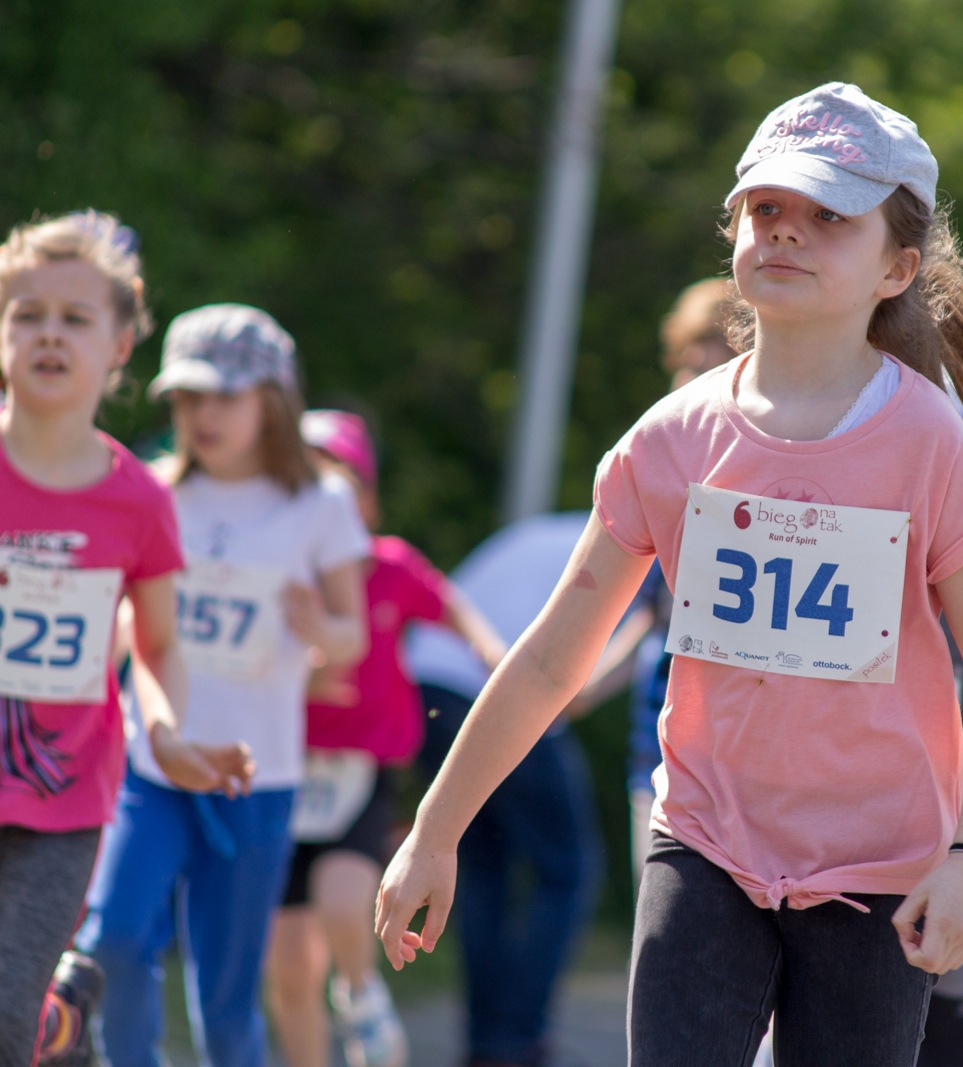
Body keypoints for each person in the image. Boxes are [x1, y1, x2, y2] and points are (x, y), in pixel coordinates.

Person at [377, 81, 963, 1066]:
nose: (786, 233)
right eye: (767, 209)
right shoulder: (673, 435)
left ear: (896, 266)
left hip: (880, 870)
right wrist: (435, 827)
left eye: (829, 216)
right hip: (703, 844)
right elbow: (547, 659)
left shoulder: (926, 441)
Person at [79, 305, 371, 1067]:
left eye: (224, 396)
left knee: (226, 990)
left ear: (273, 399)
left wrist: (319, 630)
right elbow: (119, 617)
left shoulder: (321, 503)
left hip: (258, 775)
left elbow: (353, 635)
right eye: (187, 397)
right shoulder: (152, 489)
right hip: (152, 761)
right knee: (111, 936)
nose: (202, 415)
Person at [0, 213, 253, 1067]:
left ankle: (45, 1021)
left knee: (1, 1023)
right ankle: (61, 1029)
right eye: (26, 313)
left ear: (119, 345)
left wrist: (169, 733)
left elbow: (159, 646)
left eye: (75, 318)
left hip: (62, 794)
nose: (48, 333)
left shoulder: (137, 500)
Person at [265, 410, 505, 1067]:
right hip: (283, 769)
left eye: (338, 485)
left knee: (345, 899)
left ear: (365, 501)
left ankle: (360, 990)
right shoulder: (275, 572)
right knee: (287, 963)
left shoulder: (389, 563)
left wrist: (488, 647)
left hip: (362, 764)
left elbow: (446, 601)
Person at [404, 512, 608, 1067]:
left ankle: (486, 1041)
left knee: (487, 866)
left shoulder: (555, 530)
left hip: (425, 684)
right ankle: (518, 1038)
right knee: (567, 867)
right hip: (489, 691)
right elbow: (579, 692)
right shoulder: (640, 544)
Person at [628, 277, 738, 884]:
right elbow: (647, 612)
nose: (688, 386)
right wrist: (573, 689)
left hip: (738, 752)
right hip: (658, 740)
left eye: (711, 366)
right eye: (686, 366)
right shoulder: (663, 484)